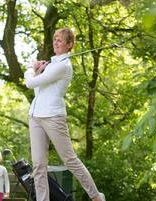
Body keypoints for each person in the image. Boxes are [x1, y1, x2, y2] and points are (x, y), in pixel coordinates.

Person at [24, 28, 106, 201]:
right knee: (39, 165)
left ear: (69, 45)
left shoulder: (62, 66)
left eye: (60, 40)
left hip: (53, 116)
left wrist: (31, 70)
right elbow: (39, 91)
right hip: (35, 116)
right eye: (55, 39)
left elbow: (30, 83)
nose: (56, 42)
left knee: (69, 159)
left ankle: (96, 196)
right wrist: (39, 71)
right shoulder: (52, 64)